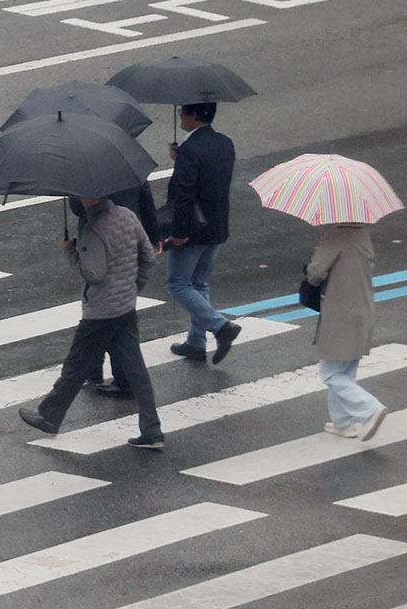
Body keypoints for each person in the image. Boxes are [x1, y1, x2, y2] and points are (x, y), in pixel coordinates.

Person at [19, 196, 165, 450]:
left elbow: (93, 273)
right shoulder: (127, 215)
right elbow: (148, 257)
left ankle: (49, 417)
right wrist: (133, 287)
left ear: (87, 198)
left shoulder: (93, 230)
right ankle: (151, 429)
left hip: (100, 312)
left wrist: (70, 251)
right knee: (136, 370)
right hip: (125, 306)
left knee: (76, 366)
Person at [165, 102, 241, 365]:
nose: (180, 116)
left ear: (194, 115)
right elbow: (210, 177)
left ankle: (221, 326)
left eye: (183, 112)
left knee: (178, 284)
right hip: (216, 224)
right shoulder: (224, 142)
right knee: (198, 284)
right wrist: (181, 158)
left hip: (192, 228)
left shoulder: (191, 149)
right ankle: (196, 343)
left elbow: (184, 194)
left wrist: (179, 231)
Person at [69, 182, 162, 397]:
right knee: (120, 312)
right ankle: (117, 377)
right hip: (128, 237)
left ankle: (100, 372)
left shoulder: (83, 175)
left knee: (99, 308)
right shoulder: (126, 170)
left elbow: (78, 207)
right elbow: (145, 200)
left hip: (96, 238)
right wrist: (153, 235)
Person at [306, 223, 387, 441]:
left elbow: (315, 273)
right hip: (363, 309)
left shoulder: (336, 236)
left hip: (340, 312)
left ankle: (369, 409)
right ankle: (343, 423)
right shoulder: (362, 235)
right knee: (345, 371)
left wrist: (317, 257)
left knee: (330, 374)